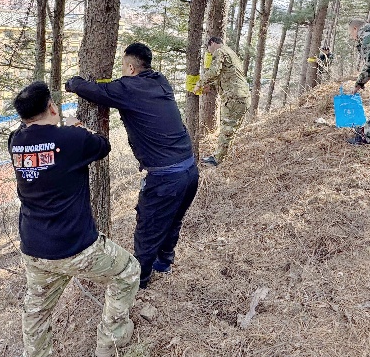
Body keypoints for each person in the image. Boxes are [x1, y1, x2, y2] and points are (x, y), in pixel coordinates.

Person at [9, 81, 140, 357]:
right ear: (52, 107)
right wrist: (78, 126)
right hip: (75, 247)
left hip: (34, 248)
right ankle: (111, 339)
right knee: (128, 271)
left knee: (36, 309)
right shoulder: (71, 138)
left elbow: (39, 143)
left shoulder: (15, 141)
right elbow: (103, 146)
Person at [65, 42, 199, 289]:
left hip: (165, 177)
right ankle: (164, 263)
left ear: (131, 68)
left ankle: (140, 281)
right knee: (172, 220)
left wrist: (72, 83)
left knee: (149, 229)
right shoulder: (161, 81)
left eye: (123, 66)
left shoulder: (129, 87)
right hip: (190, 170)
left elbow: (94, 90)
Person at [192, 36, 250, 166]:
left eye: (208, 49)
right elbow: (226, 75)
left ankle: (218, 160)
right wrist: (211, 86)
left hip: (234, 97)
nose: (209, 52)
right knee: (229, 130)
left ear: (212, 43)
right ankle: (221, 157)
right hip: (241, 96)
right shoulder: (230, 52)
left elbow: (214, 71)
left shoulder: (219, 51)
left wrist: (199, 84)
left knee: (227, 129)